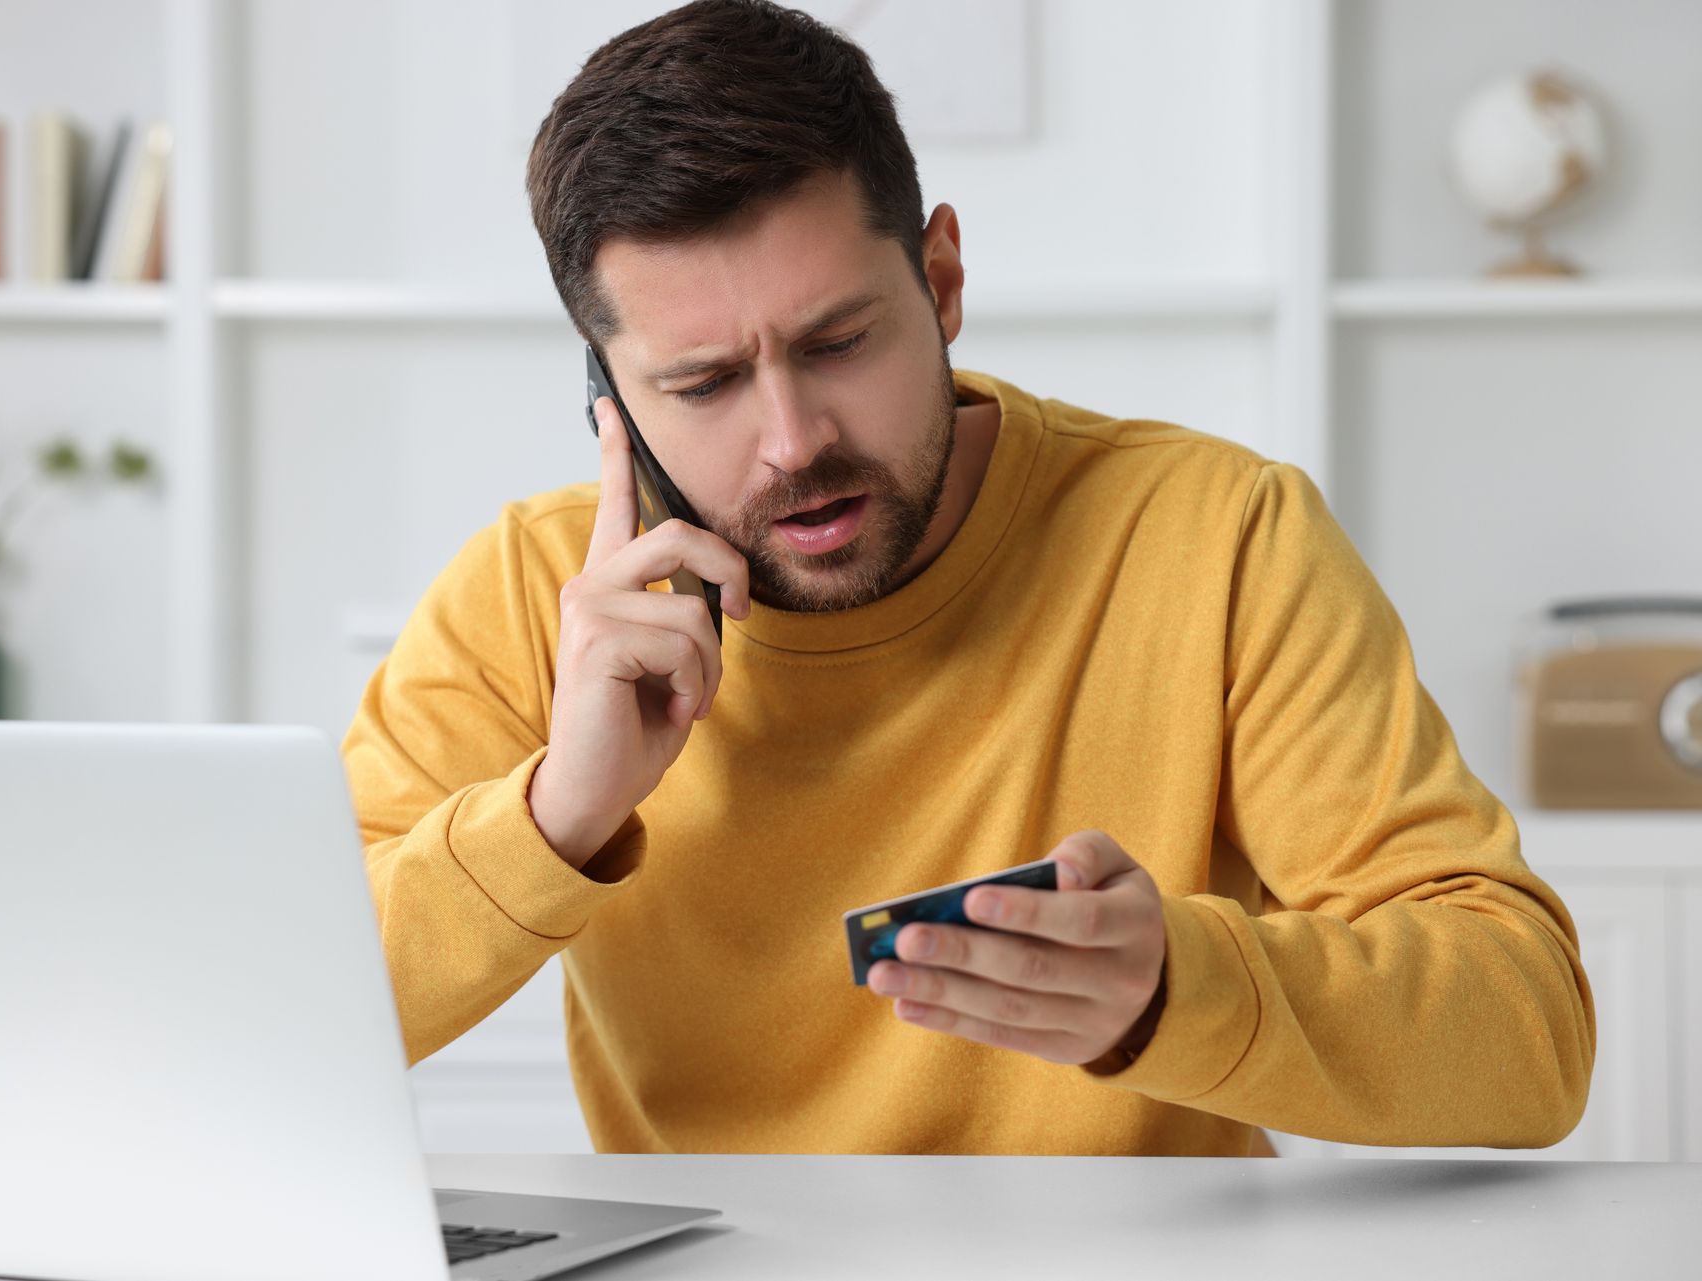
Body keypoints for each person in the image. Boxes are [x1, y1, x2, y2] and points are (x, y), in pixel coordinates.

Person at [340, 0, 1595, 1156]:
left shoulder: (1218, 536)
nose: (793, 441)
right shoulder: (532, 589)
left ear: (940, 280)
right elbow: (276, 1016)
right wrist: (558, 813)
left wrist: (1176, 988)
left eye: (839, 343)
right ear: (609, 398)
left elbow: (1530, 1040)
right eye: (705, 384)